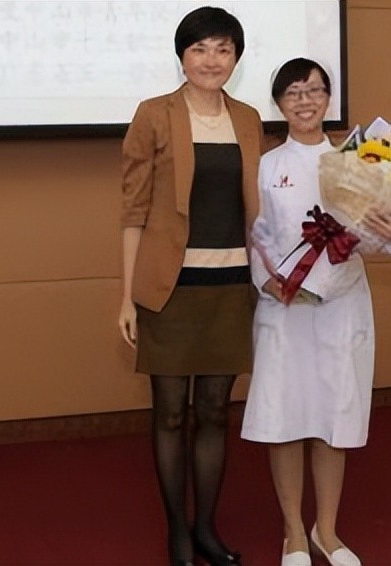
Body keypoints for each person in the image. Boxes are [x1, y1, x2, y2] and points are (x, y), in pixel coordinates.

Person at [242, 58, 391, 566]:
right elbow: (254, 236)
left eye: (314, 90)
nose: (304, 101)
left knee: (332, 417)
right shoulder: (265, 165)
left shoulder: (359, 161)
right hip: (284, 308)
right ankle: (293, 534)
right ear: (279, 103)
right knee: (284, 418)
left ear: (329, 98)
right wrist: (269, 281)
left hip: (342, 307)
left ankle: (326, 530)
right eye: (293, 93)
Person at [118, 6, 262, 566]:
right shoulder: (154, 114)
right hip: (169, 288)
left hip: (230, 285)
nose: (211, 60)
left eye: (223, 49)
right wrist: (126, 296)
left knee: (214, 412)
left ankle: (205, 528)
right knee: (171, 413)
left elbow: (257, 207)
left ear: (236, 58)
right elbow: (133, 211)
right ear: (182, 56)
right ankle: (177, 530)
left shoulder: (248, 118)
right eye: (200, 48)